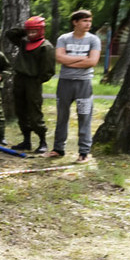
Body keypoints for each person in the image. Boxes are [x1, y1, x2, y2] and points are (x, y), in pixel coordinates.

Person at [49, 9, 101, 161]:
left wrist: (69, 59)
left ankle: (83, 152)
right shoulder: (64, 38)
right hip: (65, 82)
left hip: (84, 84)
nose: (88, 24)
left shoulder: (93, 40)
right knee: (62, 116)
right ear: (75, 22)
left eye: (89, 21)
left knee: (84, 116)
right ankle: (58, 149)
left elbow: (92, 61)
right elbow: (59, 58)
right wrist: (81, 60)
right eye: (85, 21)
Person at [8, 16, 56, 152]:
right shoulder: (24, 41)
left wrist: (37, 81)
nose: (31, 34)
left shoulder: (46, 47)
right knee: (21, 111)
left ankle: (42, 142)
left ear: (41, 30)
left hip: (33, 82)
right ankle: (26, 141)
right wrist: (25, 30)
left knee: (34, 112)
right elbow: (10, 34)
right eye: (29, 31)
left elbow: (49, 70)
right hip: (19, 80)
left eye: (34, 31)